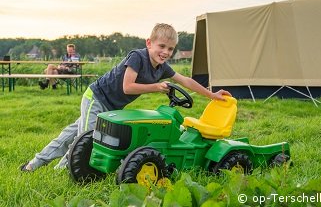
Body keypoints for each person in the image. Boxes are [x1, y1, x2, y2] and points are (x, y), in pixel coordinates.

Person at [21, 23, 231, 172]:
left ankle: (34, 165)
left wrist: (213, 94)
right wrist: (156, 87)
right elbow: (128, 87)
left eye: (170, 48)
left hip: (113, 108)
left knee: (69, 136)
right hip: (96, 98)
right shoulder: (137, 57)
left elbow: (185, 80)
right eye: (161, 46)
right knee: (86, 139)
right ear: (149, 43)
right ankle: (62, 170)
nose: (165, 52)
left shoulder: (163, 67)